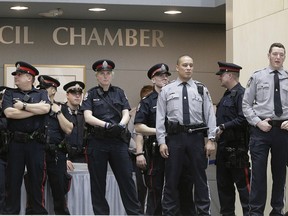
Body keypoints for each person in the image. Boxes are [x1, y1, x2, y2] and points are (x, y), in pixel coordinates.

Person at [156, 55, 216, 215]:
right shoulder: (167, 90)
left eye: (191, 65)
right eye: (185, 65)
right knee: (171, 180)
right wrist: (161, 141)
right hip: (174, 139)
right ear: (177, 67)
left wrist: (211, 139)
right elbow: (160, 117)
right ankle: (168, 213)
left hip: (196, 138)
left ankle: (203, 213)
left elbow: (210, 115)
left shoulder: (201, 89)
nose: (188, 68)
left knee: (200, 180)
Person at [81, 59, 142, 215]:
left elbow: (126, 112)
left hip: (117, 142)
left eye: (108, 73)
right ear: (97, 76)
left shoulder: (119, 92)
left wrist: (121, 125)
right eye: (102, 73)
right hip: (97, 141)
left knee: (127, 181)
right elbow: (87, 117)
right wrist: (107, 125)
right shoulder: (91, 94)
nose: (105, 76)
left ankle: (135, 213)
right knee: (98, 184)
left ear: (112, 75)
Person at [242, 42, 288, 215]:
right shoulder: (257, 77)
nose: (278, 57)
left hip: (283, 131)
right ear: (268, 55)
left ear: (284, 57)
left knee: (280, 175)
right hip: (261, 130)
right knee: (259, 175)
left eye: (281, 54)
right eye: (275, 54)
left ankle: (277, 211)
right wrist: (257, 122)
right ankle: (255, 212)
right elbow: (246, 104)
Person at [2, 61, 50, 214]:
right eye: (16, 74)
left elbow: (46, 108)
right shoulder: (10, 93)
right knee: (13, 182)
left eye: (19, 74)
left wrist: (23, 106)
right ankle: (11, 213)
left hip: (36, 144)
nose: (16, 77)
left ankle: (36, 212)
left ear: (30, 77)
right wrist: (36, 110)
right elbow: (9, 113)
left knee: (36, 182)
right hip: (16, 143)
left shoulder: (41, 93)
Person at [215, 61, 250, 216]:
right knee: (224, 189)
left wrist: (223, 127)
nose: (219, 78)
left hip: (237, 150)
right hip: (223, 149)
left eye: (221, 75)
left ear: (229, 75)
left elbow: (244, 119)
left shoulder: (242, 94)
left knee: (245, 190)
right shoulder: (227, 95)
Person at [35, 75, 73, 214]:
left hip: (56, 154)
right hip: (37, 152)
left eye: (45, 89)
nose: (42, 92)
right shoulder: (36, 107)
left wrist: (57, 112)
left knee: (59, 192)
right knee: (35, 191)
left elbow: (68, 129)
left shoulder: (62, 108)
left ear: (53, 90)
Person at [127, 84, 153, 213]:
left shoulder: (159, 110)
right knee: (139, 188)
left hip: (154, 153)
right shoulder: (134, 112)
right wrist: (139, 151)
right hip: (137, 156)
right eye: (144, 98)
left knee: (154, 187)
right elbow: (129, 135)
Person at [63, 81, 86, 169]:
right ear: (67, 95)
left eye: (79, 93)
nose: (77, 96)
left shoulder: (86, 113)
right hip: (65, 156)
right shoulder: (60, 112)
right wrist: (63, 158)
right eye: (73, 93)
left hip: (83, 157)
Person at [0, 86, 10, 214]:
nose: (3, 101)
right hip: (1, 157)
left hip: (14, 157)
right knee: (1, 191)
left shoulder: (14, 114)